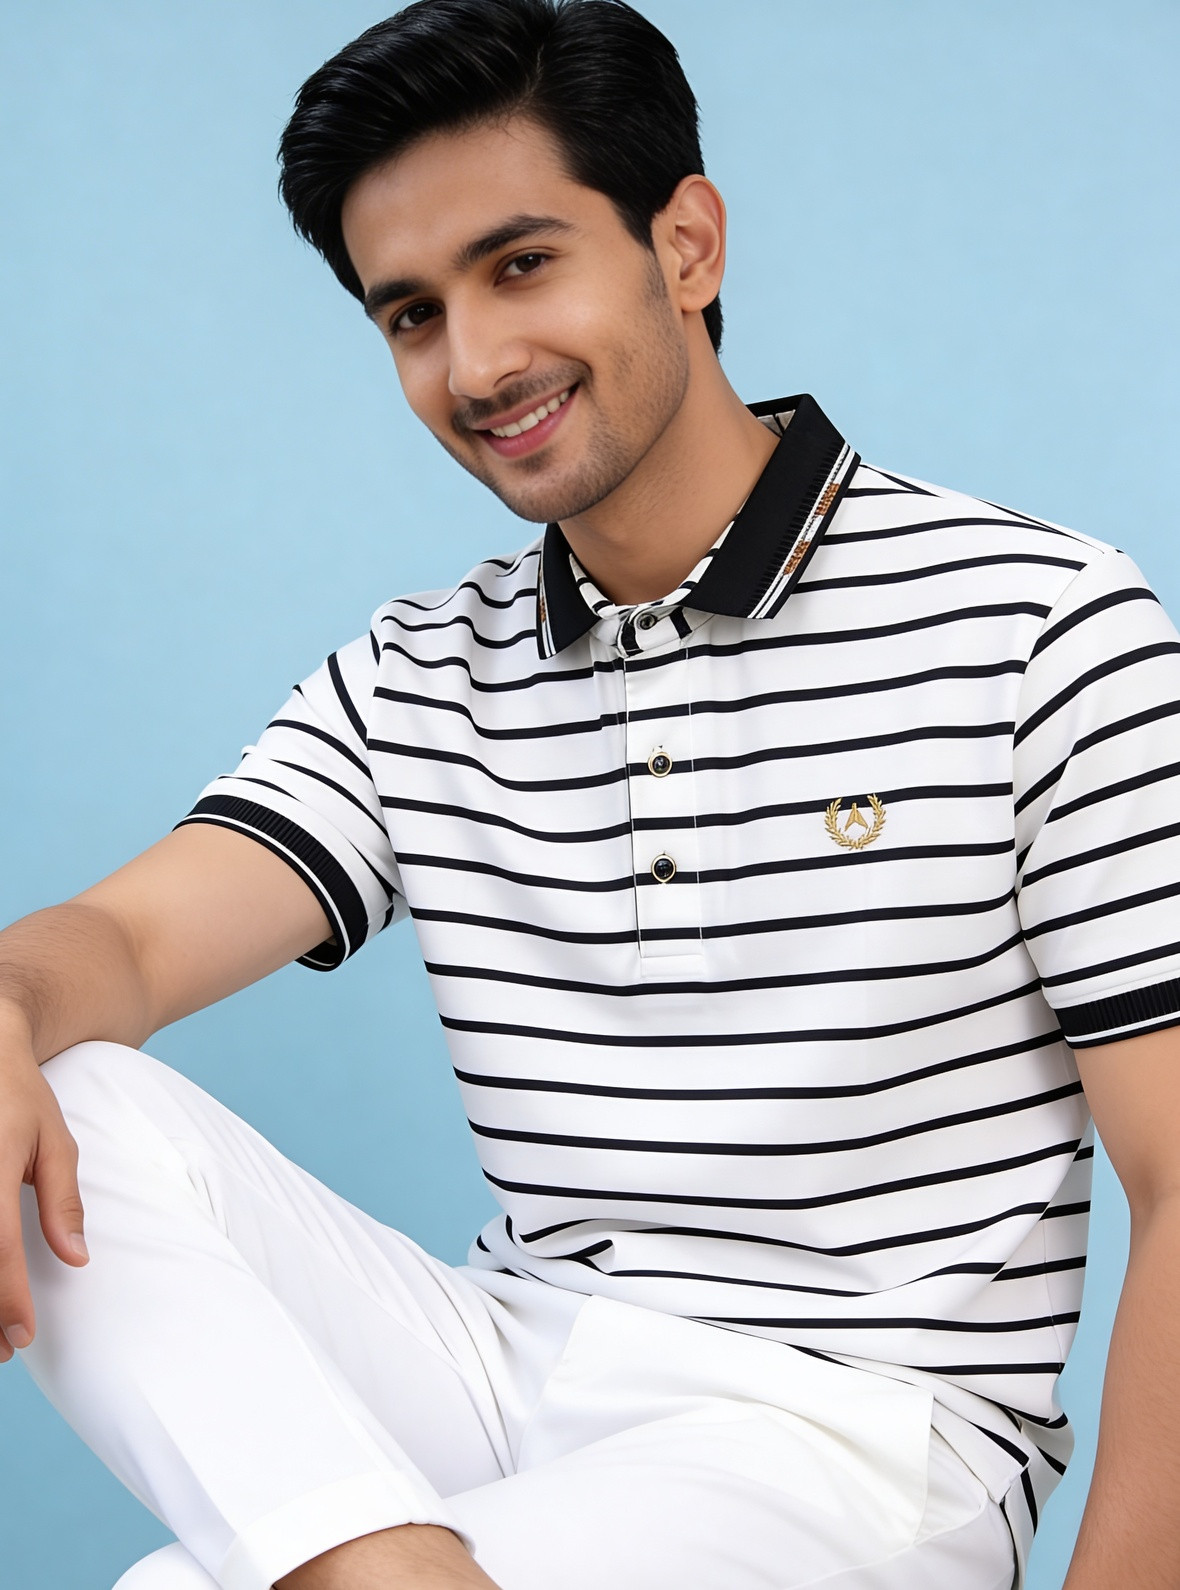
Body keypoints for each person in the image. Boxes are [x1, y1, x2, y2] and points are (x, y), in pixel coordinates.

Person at [3, 0, 1179, 1586]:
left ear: (685, 244)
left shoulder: (1039, 626)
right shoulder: (421, 674)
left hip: (853, 1438)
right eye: (412, 313)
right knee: (60, 1090)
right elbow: (127, 945)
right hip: (509, 1364)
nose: (477, 363)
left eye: (521, 263)